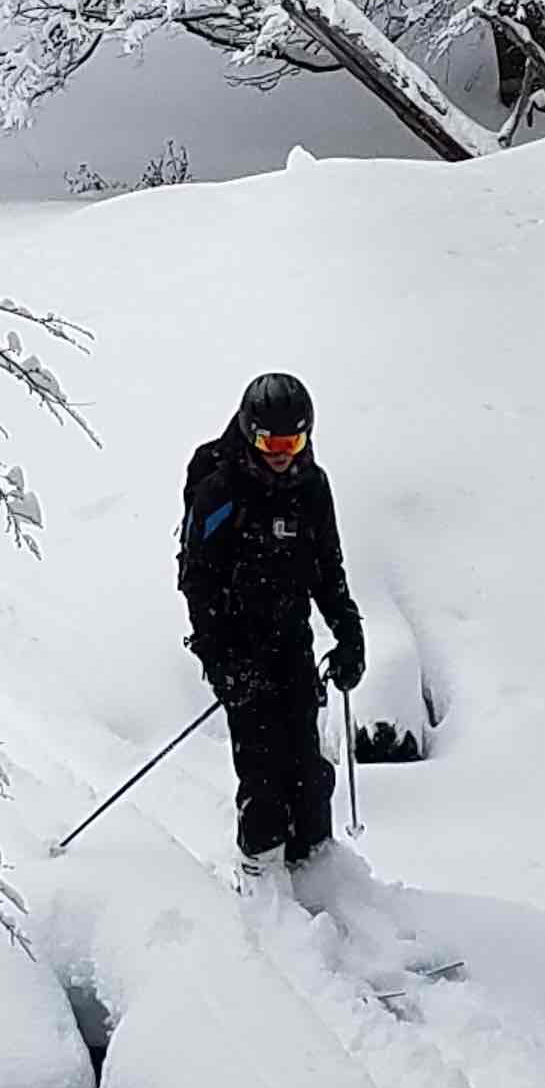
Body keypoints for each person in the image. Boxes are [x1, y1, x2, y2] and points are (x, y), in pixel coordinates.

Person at [175, 371, 366, 866]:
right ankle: (262, 882)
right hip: (240, 651)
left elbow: (328, 569)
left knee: (308, 772)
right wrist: (222, 663)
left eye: (293, 440)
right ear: (249, 433)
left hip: (292, 644)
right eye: (270, 441)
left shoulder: (311, 487)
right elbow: (197, 579)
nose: (282, 452)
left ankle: (316, 871)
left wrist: (349, 634)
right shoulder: (221, 488)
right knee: (263, 777)